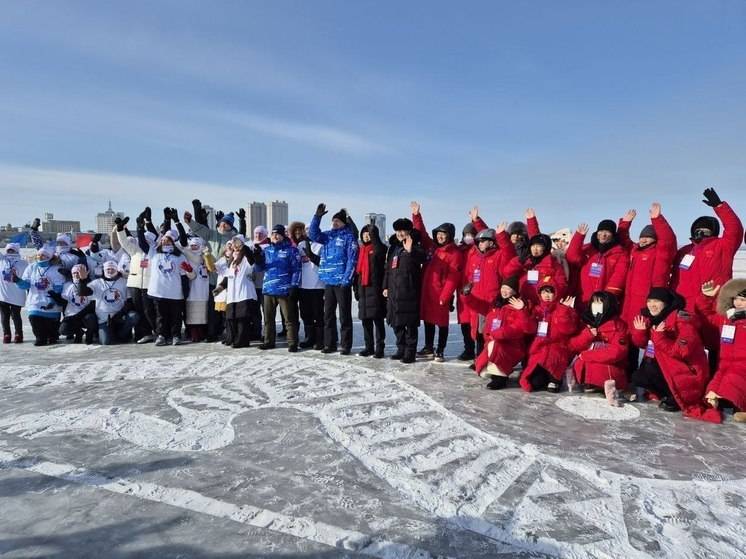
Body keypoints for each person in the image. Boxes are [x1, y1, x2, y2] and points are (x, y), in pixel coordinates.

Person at [629, 288, 712, 420]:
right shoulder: (652, 318)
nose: (652, 305)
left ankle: (675, 396)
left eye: (656, 301)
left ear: (666, 303)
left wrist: (659, 337)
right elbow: (641, 344)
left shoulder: (683, 321)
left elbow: (681, 352)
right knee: (648, 363)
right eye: (649, 301)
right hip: (665, 368)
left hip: (686, 372)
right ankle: (654, 391)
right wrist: (640, 332)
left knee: (652, 364)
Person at [618, 203, 678, 372]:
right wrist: (625, 223)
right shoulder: (634, 251)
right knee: (629, 338)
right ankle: (628, 375)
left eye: (648, 237)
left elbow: (668, 240)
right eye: (642, 236)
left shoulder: (660, 252)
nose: (643, 239)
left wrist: (657, 219)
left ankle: (652, 376)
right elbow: (623, 240)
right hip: (629, 304)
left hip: (650, 304)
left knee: (649, 339)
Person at [411, 202, 462, 362]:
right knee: (428, 320)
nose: (440, 236)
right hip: (427, 291)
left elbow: (453, 277)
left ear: (450, 235)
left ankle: (440, 349)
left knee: (442, 322)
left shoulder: (455, 253)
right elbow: (421, 233)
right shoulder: (432, 247)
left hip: (440, 293)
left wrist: (445, 296)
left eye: (444, 234)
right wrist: (416, 216)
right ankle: (428, 347)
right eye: (438, 233)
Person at [462, 223, 516, 366]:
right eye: (478, 242)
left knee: (490, 333)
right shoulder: (474, 258)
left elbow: (509, 253)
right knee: (478, 333)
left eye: (482, 241)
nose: (479, 244)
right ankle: (479, 358)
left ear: (491, 242)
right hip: (477, 301)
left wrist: (502, 236)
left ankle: (491, 360)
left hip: (492, 302)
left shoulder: (499, 256)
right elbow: (469, 276)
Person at [309, 204, 358, 355]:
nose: (334, 223)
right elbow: (312, 235)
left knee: (344, 316)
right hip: (328, 281)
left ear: (344, 223)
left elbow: (352, 260)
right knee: (328, 315)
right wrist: (317, 217)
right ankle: (329, 344)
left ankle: (345, 345)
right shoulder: (328, 235)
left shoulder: (349, 237)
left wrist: (346, 279)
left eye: (338, 221)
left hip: (342, 282)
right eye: (333, 221)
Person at [471, 276, 534, 389]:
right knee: (483, 372)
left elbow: (524, 328)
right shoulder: (496, 303)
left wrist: (522, 310)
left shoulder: (519, 305)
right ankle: (496, 372)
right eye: (503, 288)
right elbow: (478, 305)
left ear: (514, 291)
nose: (504, 291)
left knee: (495, 347)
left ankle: (500, 378)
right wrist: (466, 296)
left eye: (508, 289)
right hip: (493, 341)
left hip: (511, 345)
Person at [698, 279, 746, 423]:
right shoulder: (726, 318)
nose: (738, 303)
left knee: (731, 386)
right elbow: (706, 315)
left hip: (742, 365)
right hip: (724, 364)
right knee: (711, 392)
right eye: (735, 299)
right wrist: (707, 297)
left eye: (743, 299)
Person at [520, 280, 579, 393]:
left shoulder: (565, 309)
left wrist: (564, 310)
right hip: (539, 350)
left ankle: (555, 379)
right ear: (539, 294)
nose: (547, 295)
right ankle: (546, 376)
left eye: (550, 292)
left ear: (556, 293)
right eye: (544, 292)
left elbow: (568, 330)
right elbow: (528, 328)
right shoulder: (536, 310)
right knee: (535, 383)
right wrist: (523, 311)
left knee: (553, 374)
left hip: (557, 350)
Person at [383, 218, 426, 363]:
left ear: (408, 231)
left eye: (403, 230)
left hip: (409, 291)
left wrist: (411, 250)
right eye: (397, 230)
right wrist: (385, 286)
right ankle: (401, 349)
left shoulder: (415, 245)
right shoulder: (393, 248)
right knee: (397, 323)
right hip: (394, 292)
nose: (400, 233)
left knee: (410, 324)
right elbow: (388, 270)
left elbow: (423, 258)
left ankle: (410, 352)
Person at [568, 291, 629, 392]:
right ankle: (588, 383)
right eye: (594, 302)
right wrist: (588, 335)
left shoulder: (619, 325)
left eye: (600, 303)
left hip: (610, 368)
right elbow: (573, 345)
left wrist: (587, 355)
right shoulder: (586, 321)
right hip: (585, 365)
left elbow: (617, 352)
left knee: (597, 365)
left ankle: (601, 385)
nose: (596, 306)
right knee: (580, 363)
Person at [566, 215, 631, 307]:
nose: (603, 235)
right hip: (584, 298)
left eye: (607, 232)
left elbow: (619, 277)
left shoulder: (620, 253)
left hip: (604, 300)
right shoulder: (588, 248)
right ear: (597, 233)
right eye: (601, 231)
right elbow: (572, 258)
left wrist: (606, 297)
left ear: (613, 235)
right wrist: (578, 237)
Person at [257, 225, 301, 352]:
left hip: (284, 289)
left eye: (278, 234)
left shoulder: (291, 251)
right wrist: (257, 259)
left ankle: (292, 342)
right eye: (273, 234)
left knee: (289, 318)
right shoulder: (266, 250)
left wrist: (294, 286)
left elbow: (296, 270)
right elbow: (259, 269)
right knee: (268, 318)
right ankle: (269, 341)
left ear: (283, 235)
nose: (275, 236)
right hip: (268, 289)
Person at [115, 212, 158, 343]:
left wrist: (147, 222)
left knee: (149, 310)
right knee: (138, 310)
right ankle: (142, 333)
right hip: (134, 284)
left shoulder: (154, 251)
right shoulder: (134, 250)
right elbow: (123, 242)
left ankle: (157, 331)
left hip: (148, 284)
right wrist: (120, 229)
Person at [147, 230, 195, 346]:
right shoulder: (154, 253)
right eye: (163, 240)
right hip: (159, 291)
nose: (165, 243)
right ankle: (162, 335)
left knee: (176, 316)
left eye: (168, 241)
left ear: (173, 242)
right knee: (161, 316)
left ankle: (176, 335)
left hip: (175, 291)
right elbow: (144, 243)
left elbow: (188, 275)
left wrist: (189, 271)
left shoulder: (180, 256)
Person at [12, 245, 65, 346]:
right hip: (35, 303)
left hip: (51, 305)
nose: (40, 257)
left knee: (52, 337)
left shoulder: (56, 269)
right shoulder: (32, 267)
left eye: (43, 255)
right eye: (38, 255)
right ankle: (40, 337)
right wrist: (18, 281)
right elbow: (26, 285)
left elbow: (59, 288)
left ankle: (52, 335)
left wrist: (52, 301)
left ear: (49, 257)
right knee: (36, 325)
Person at [217, 236, 263, 349]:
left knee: (243, 318)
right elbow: (228, 277)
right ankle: (233, 338)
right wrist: (220, 287)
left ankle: (242, 340)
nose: (235, 250)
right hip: (232, 295)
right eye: (234, 248)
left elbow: (250, 256)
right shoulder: (232, 263)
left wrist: (242, 246)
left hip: (244, 293)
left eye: (238, 248)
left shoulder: (247, 260)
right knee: (231, 317)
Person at [455, 207, 488, 361]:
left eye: (471, 235)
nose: (469, 237)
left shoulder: (479, 251)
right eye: (466, 235)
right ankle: (468, 349)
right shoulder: (460, 250)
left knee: (478, 325)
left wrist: (477, 220)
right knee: (465, 323)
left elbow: (488, 234)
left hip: (477, 292)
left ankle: (479, 353)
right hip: (463, 292)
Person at [79, 260, 139, 345]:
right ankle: (99, 333)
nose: (110, 271)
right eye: (108, 269)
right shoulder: (97, 282)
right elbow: (83, 293)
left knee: (134, 316)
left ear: (117, 270)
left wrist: (119, 315)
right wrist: (82, 280)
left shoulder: (124, 282)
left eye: (112, 269)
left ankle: (122, 335)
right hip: (103, 319)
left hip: (119, 317)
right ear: (104, 270)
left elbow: (129, 302)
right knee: (105, 342)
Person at [502, 232, 567, 308]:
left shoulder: (553, 264)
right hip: (523, 303)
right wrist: (518, 261)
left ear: (545, 248)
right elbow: (507, 273)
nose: (535, 248)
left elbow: (562, 285)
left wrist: (548, 299)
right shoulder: (525, 261)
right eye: (533, 245)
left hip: (542, 306)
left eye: (539, 246)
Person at [289, 222, 325, 350]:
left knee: (318, 314)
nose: (309, 233)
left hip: (317, 286)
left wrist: (312, 256)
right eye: (307, 231)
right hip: (303, 285)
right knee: (305, 314)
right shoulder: (300, 245)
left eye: (311, 231)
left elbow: (323, 263)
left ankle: (320, 339)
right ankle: (309, 337)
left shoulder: (321, 246)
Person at [354, 223, 387, 358]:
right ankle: (369, 347)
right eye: (364, 233)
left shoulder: (378, 249)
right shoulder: (361, 250)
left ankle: (380, 348)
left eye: (369, 233)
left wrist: (373, 231)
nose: (366, 235)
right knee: (365, 321)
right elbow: (358, 273)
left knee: (377, 321)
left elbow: (380, 247)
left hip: (375, 289)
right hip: (363, 289)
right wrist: (356, 289)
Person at [182, 236, 214, 342]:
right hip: (193, 291)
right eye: (192, 246)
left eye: (196, 245)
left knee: (203, 315)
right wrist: (189, 271)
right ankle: (194, 334)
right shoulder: (188, 257)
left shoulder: (206, 257)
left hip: (204, 290)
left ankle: (203, 333)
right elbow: (191, 276)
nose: (194, 248)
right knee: (193, 315)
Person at [0, 243, 28, 343]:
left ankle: (18, 334)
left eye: (12, 250)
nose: (10, 252)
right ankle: (6, 334)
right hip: (3, 294)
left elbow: (28, 278)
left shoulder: (23, 263)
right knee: (4, 316)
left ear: (17, 251)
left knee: (16, 315)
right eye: (8, 250)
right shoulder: (2, 260)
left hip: (17, 294)